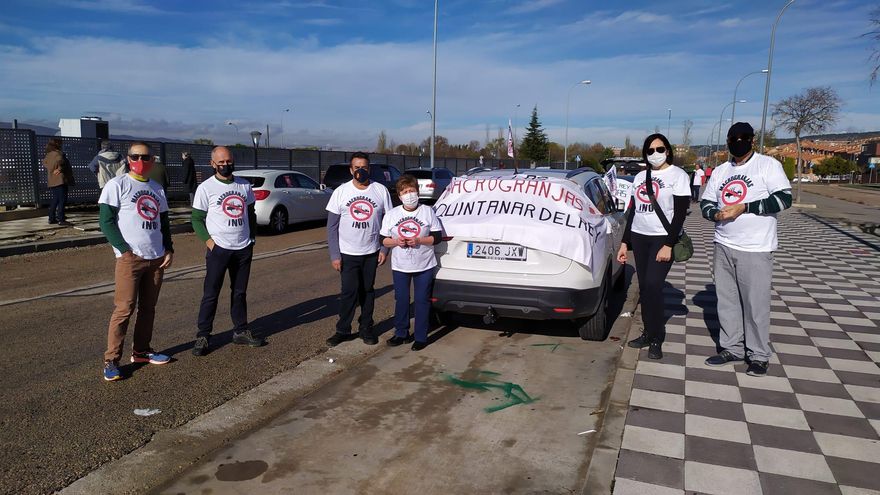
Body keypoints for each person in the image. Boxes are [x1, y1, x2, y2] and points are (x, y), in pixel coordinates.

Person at [701, 122, 792, 377]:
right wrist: (714, 213)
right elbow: (706, 201)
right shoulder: (721, 171)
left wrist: (745, 207)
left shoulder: (767, 165)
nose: (737, 142)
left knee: (755, 304)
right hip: (724, 244)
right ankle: (732, 348)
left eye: (743, 138)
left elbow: (784, 198)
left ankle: (759, 355)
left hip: (756, 247)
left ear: (752, 141)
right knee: (727, 301)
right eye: (733, 138)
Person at [98, 142, 174, 381]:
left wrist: (168, 248)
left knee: (148, 309)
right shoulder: (117, 185)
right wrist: (123, 250)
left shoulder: (157, 188)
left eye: (145, 157)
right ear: (128, 159)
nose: (140, 161)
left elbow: (164, 223)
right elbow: (106, 221)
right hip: (131, 259)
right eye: (135, 156)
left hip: (156, 257)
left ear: (152, 161)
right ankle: (111, 360)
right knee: (124, 309)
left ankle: (141, 351)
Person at [617, 133, 690, 360]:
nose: (655, 154)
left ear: (668, 150)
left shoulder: (678, 176)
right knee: (645, 288)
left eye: (659, 149)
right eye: (650, 150)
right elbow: (633, 212)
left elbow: (679, 214)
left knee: (653, 285)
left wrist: (668, 244)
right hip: (640, 236)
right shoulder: (640, 177)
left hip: (662, 238)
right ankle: (648, 332)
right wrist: (624, 243)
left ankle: (657, 337)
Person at [190, 146, 264, 355]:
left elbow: (250, 213)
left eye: (228, 161)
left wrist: (252, 238)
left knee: (239, 292)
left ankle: (240, 330)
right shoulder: (206, 188)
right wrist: (209, 242)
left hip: (242, 248)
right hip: (219, 249)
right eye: (220, 162)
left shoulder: (244, 185)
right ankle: (203, 335)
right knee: (211, 293)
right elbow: (196, 219)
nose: (225, 165)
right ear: (213, 164)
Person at [325, 152, 393, 347]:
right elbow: (331, 227)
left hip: (371, 252)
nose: (360, 171)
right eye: (357, 168)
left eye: (364, 168)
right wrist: (335, 255)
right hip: (347, 253)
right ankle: (343, 330)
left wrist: (384, 249)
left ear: (369, 169)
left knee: (367, 292)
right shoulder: (341, 192)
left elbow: (388, 223)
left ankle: (366, 328)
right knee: (348, 293)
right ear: (351, 170)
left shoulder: (380, 191)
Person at [380, 175, 443, 351]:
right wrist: (395, 242)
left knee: (422, 300)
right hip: (401, 265)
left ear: (417, 192)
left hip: (424, 264)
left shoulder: (427, 211)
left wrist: (420, 241)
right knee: (401, 299)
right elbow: (382, 240)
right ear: (399, 196)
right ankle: (401, 333)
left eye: (412, 191)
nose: (409, 195)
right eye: (405, 192)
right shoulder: (392, 215)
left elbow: (437, 237)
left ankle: (421, 336)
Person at [42, 138, 75, 226]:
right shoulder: (59, 154)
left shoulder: (48, 155)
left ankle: (51, 218)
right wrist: (59, 169)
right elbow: (62, 162)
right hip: (60, 180)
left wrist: (52, 169)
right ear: (57, 145)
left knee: (55, 199)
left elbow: (44, 163)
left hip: (52, 180)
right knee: (62, 200)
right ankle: (61, 219)